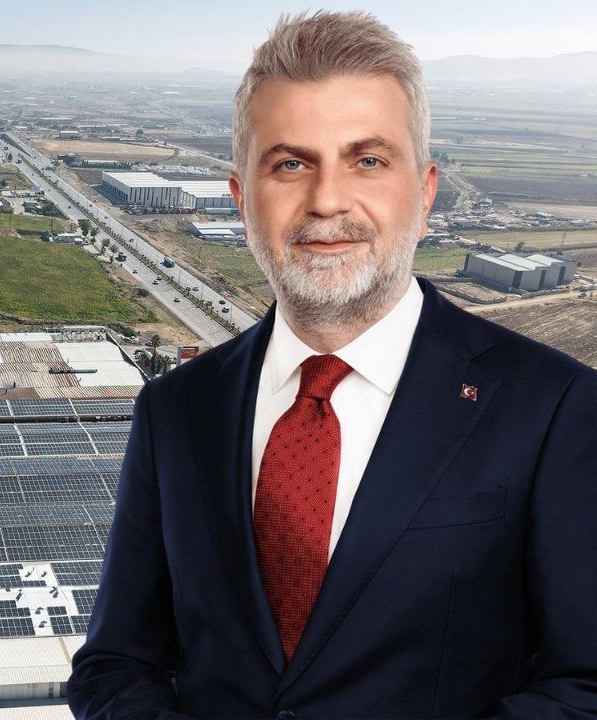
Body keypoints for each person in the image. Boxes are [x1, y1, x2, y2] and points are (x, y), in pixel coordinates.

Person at [68, 10, 597, 719]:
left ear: (425, 192)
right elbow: (116, 664)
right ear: (241, 198)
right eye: (290, 164)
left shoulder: (555, 407)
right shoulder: (176, 408)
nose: (326, 201)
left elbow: (583, 686)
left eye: (367, 161)